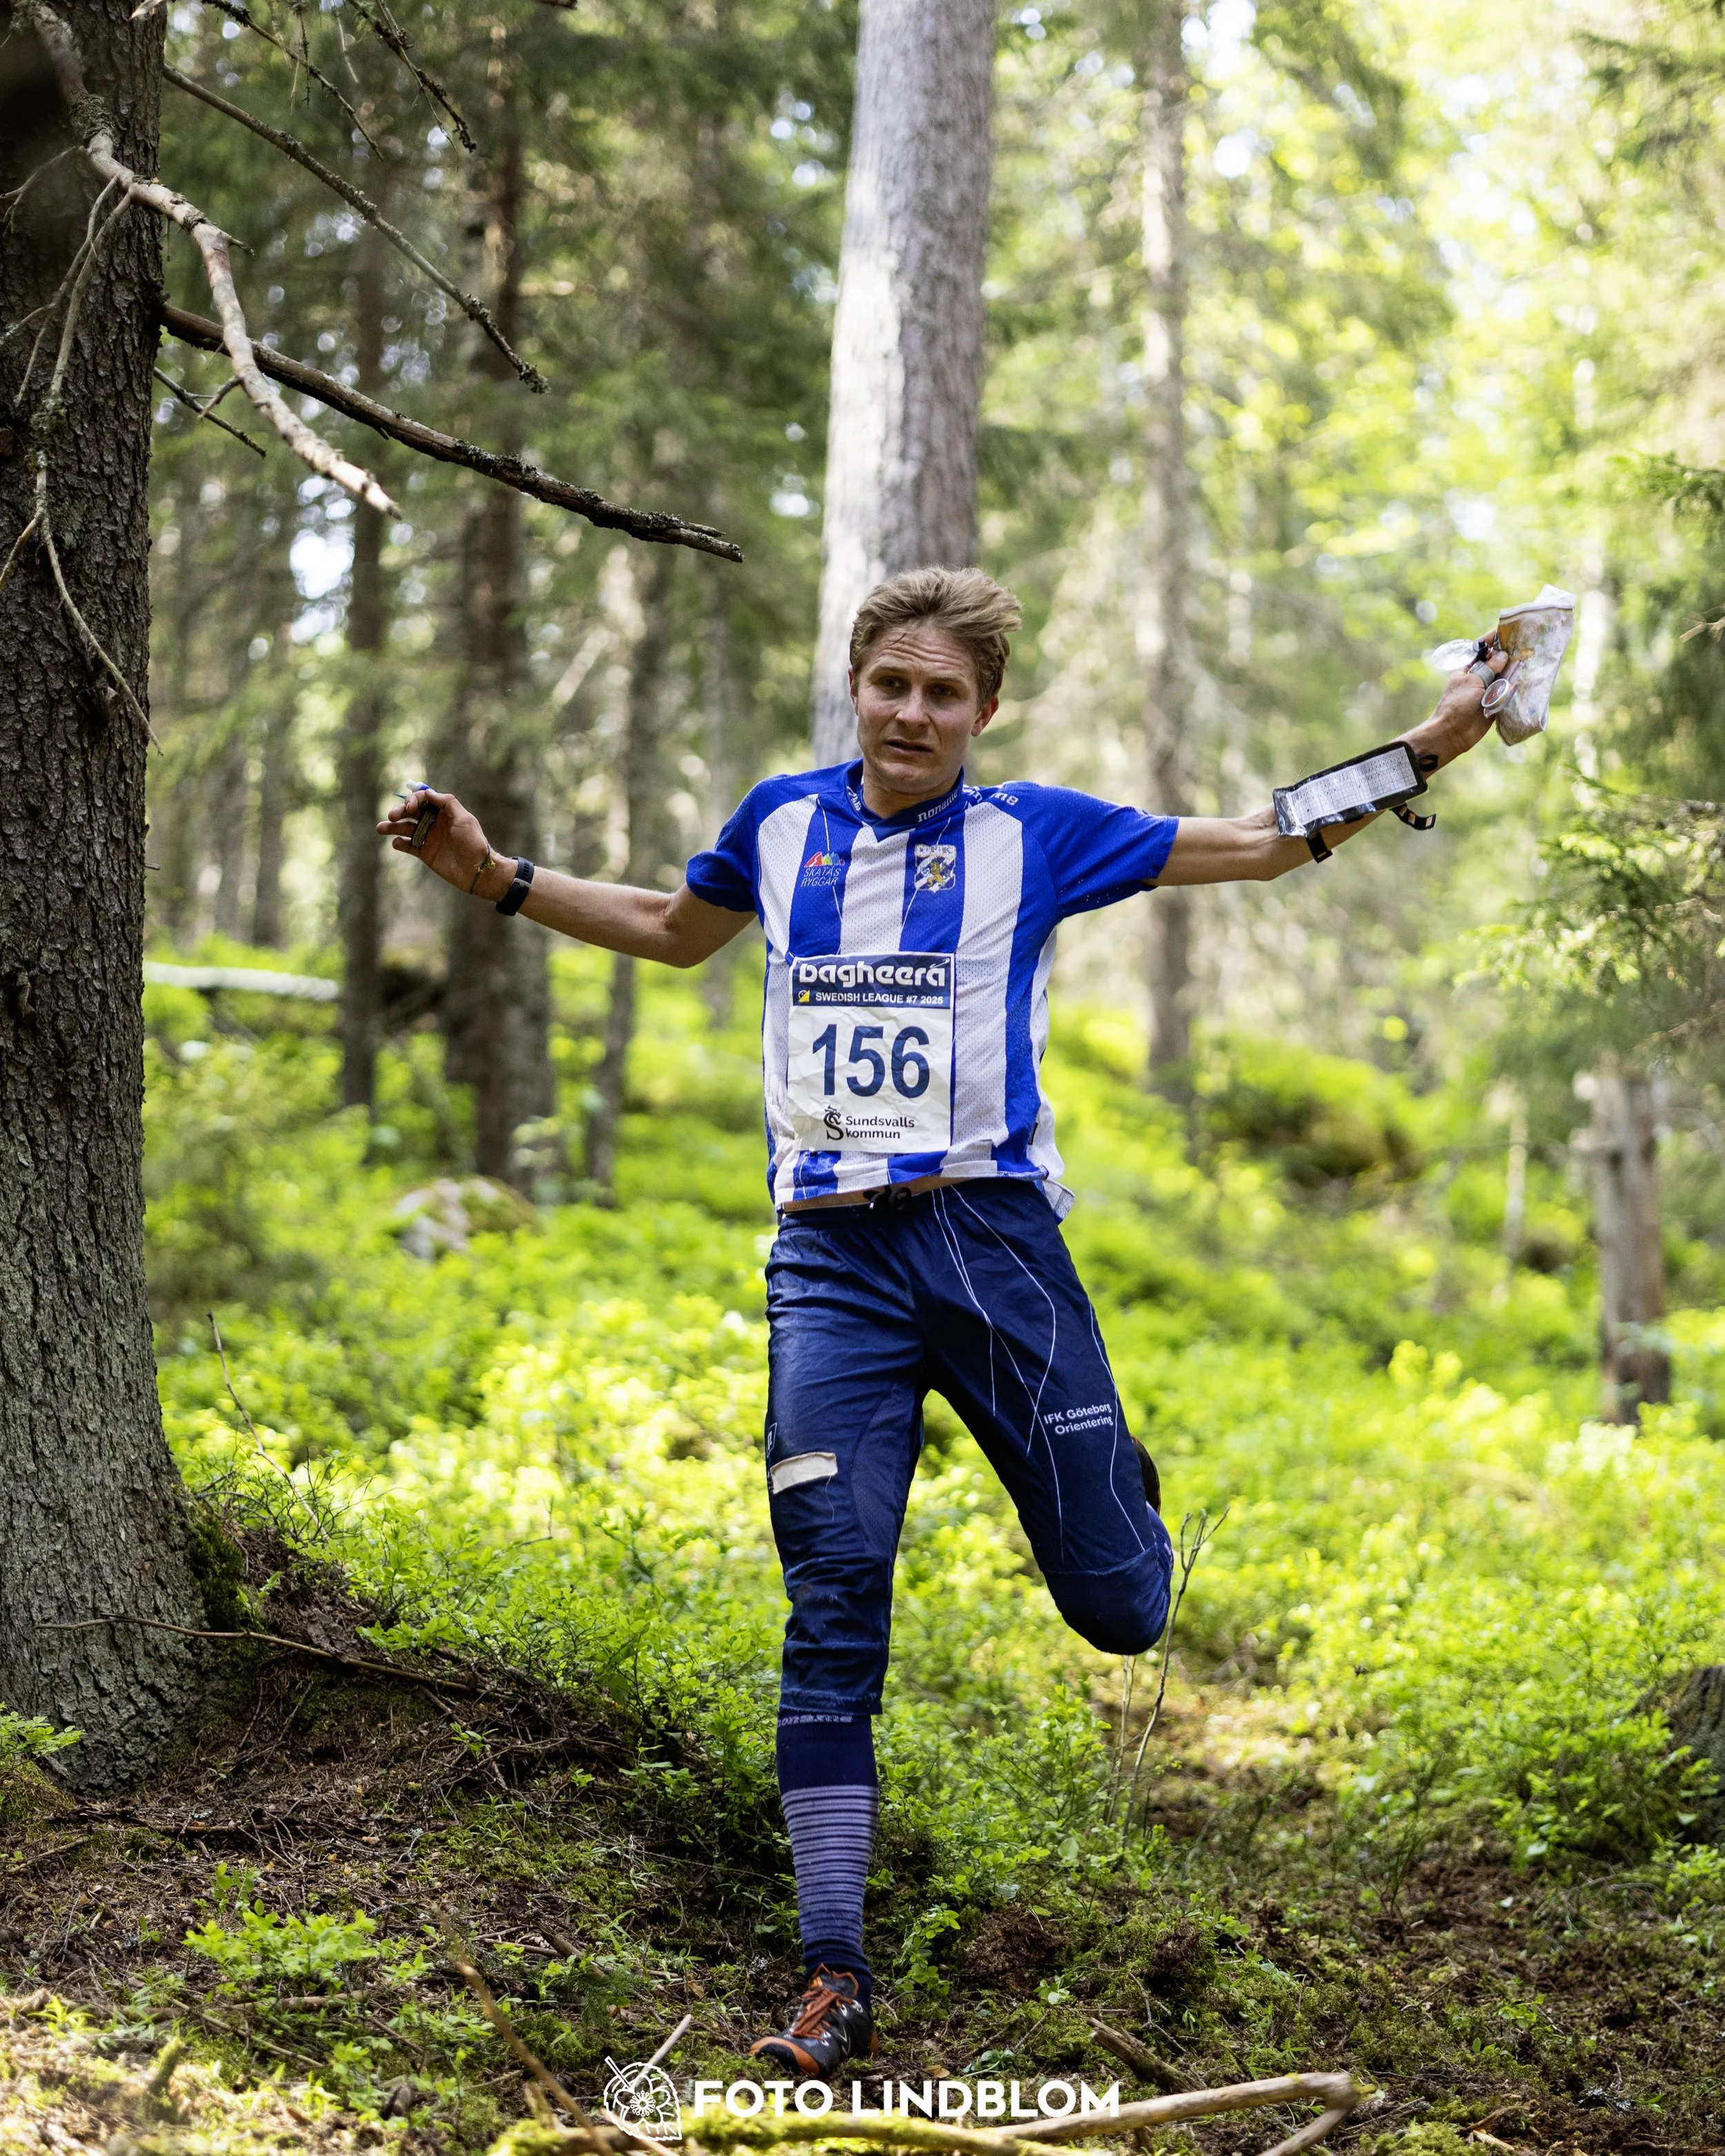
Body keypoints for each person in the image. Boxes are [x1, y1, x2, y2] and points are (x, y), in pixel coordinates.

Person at [380, 566, 1509, 2077]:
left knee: (1124, 1607)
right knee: (831, 1593)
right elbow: (667, 924)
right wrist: (494, 877)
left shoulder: (1030, 833)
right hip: (829, 1264)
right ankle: (830, 1972)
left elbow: (1256, 840)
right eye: (889, 683)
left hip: (991, 1245)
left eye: (942, 693)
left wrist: (1429, 744)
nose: (911, 712)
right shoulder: (780, 820)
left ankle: (1109, 1477)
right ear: (855, 684)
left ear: (982, 711)